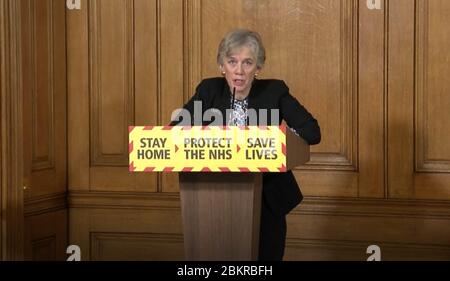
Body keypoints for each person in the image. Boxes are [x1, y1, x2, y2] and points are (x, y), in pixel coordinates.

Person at [170, 28, 321, 260]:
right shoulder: (208, 90)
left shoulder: (275, 91)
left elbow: (311, 131)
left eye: (247, 63)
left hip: (267, 200)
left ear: (258, 68)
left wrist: (275, 140)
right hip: (211, 201)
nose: (239, 71)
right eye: (232, 62)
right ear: (222, 65)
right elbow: (175, 130)